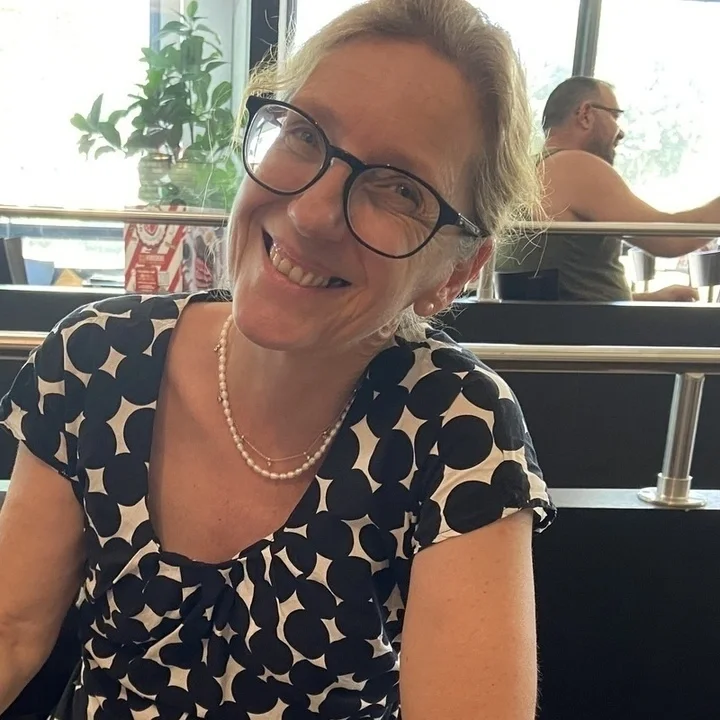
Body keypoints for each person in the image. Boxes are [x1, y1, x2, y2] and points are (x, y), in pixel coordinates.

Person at [0, 1, 554, 718]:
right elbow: (11, 631)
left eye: (400, 189)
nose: (313, 213)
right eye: (305, 133)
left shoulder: (454, 423)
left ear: (455, 273)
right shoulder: (96, 356)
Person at [497, 76, 720, 302]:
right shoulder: (576, 166)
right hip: (595, 325)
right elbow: (670, 240)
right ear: (585, 114)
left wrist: (649, 298)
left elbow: (564, 294)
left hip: (563, 321)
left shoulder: (528, 173)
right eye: (615, 116)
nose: (621, 132)